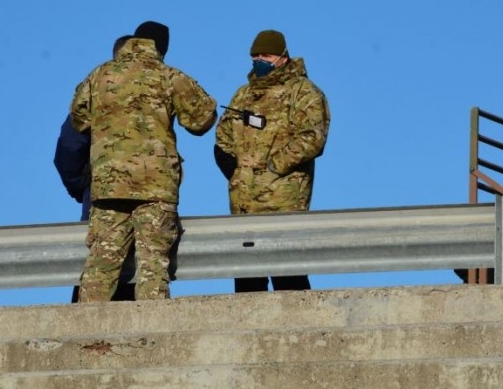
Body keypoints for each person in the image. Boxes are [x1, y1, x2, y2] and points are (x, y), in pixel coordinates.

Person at [70, 21, 217, 302]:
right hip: (155, 188)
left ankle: (85, 335)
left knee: (100, 266)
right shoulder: (169, 76)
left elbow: (79, 119)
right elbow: (202, 120)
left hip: (109, 186)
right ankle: (150, 336)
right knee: (152, 266)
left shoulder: (99, 75)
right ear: (161, 47)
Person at [214, 29, 330, 293]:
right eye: (255, 55)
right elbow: (224, 134)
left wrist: (273, 167)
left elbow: (313, 137)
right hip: (243, 202)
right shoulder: (244, 94)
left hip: (284, 200)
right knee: (247, 281)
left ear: (283, 57)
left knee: (288, 276)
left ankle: (299, 329)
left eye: (266, 55)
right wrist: (231, 167)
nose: (259, 60)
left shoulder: (304, 92)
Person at [55, 35, 137, 302]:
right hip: (151, 207)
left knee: (95, 280)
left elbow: (70, 145)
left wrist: (82, 185)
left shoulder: (96, 89)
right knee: (140, 289)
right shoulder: (159, 87)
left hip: (102, 202)